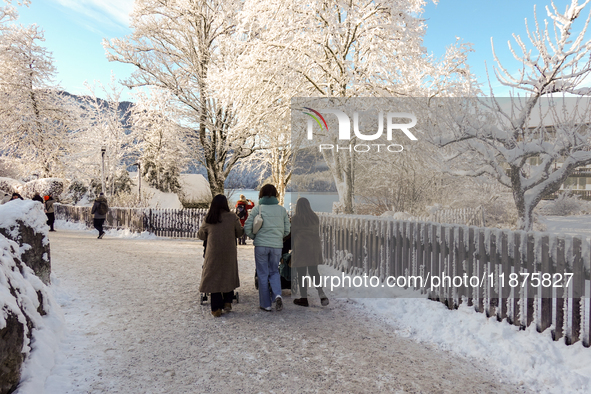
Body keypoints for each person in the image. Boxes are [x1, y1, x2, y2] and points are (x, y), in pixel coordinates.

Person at [244, 184, 290, 312]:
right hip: (276, 246)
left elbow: (247, 228)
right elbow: (287, 230)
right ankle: (277, 294)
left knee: (263, 273)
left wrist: (256, 237)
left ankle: (266, 304)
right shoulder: (282, 210)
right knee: (274, 271)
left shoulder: (257, 209)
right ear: (275, 194)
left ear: (261, 194)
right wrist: (278, 237)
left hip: (261, 246)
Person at [198, 194, 244, 317]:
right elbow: (239, 233)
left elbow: (201, 235)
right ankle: (228, 301)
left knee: (214, 276)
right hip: (229, 250)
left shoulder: (209, 217)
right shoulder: (232, 217)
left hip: (213, 252)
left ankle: (216, 308)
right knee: (228, 273)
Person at [291, 198, 329, 307]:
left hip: (301, 248)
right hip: (314, 247)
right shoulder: (314, 217)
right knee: (314, 271)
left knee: (301, 274)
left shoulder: (296, 219)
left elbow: (292, 234)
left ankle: (304, 298)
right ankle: (321, 293)